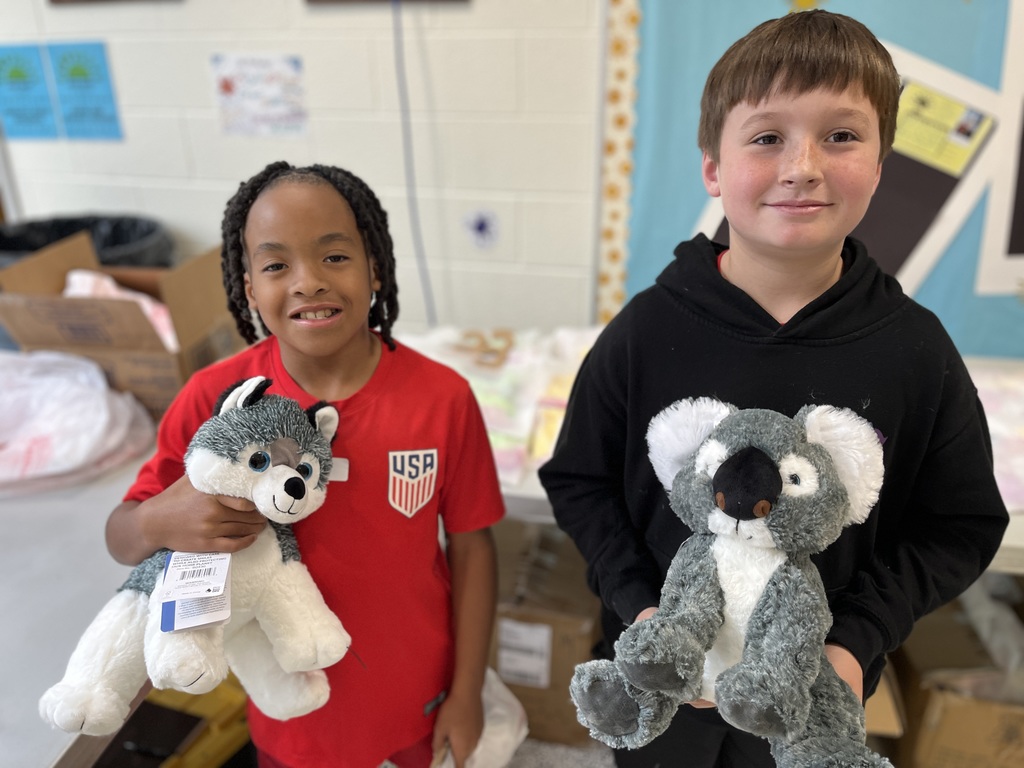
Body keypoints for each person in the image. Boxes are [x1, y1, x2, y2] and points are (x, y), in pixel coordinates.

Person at [539, 10, 1009, 768]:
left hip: (811, 707)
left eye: (842, 136)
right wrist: (649, 612)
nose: (804, 166)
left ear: (882, 161)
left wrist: (855, 644)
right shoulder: (645, 331)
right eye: (767, 137)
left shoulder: (916, 350)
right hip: (667, 707)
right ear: (713, 169)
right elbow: (580, 481)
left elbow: (958, 524)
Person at [105, 161, 505, 768]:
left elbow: (474, 547)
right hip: (289, 711)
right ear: (248, 289)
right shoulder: (213, 398)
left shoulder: (442, 398)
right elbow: (123, 536)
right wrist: (162, 520)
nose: (308, 282)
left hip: (419, 694)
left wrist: (469, 689)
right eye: (276, 265)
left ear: (375, 266)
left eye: (335, 257)